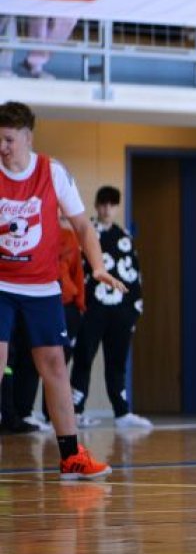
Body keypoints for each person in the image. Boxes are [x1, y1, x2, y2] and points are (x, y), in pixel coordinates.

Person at [0, 101, 121, 478]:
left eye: (8, 140)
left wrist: (97, 266)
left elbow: (83, 226)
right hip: (1, 284)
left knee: (53, 364)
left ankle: (71, 456)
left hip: (41, 287)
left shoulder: (52, 172)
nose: (3, 147)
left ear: (27, 138)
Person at [70, 185, 150, 430]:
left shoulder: (124, 236)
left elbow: (135, 275)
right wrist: (78, 305)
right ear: (96, 206)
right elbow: (77, 270)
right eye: (103, 204)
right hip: (91, 308)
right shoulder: (86, 233)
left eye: (111, 205)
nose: (107, 209)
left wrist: (134, 309)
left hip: (120, 311)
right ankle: (75, 411)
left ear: (116, 207)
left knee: (117, 362)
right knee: (83, 358)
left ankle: (122, 412)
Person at [0, 215, 87, 433]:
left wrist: (80, 303)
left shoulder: (68, 237)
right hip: (19, 296)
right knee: (16, 358)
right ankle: (18, 412)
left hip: (57, 302)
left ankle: (64, 438)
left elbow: (77, 271)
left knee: (55, 363)